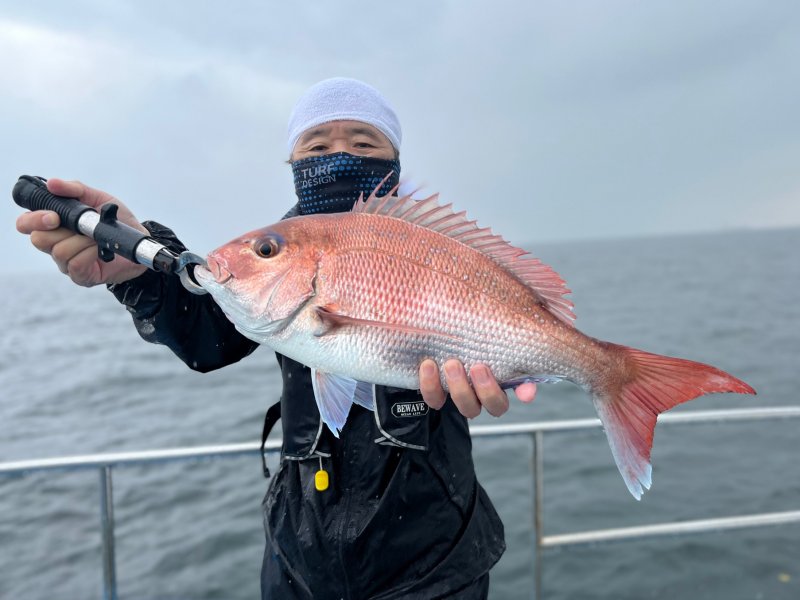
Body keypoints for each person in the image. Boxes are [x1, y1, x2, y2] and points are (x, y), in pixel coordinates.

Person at [16, 77, 537, 599]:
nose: (338, 154)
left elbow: (488, 319)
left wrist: (520, 363)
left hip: (435, 544)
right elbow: (208, 339)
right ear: (292, 163)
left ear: (395, 160)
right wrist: (139, 269)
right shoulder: (283, 259)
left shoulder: (434, 246)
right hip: (301, 543)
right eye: (316, 145)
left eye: (363, 142)